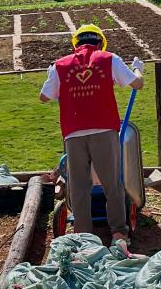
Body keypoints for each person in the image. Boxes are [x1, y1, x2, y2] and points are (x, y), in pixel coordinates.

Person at [39, 24, 144, 242]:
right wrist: (137, 69)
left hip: (74, 133)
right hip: (104, 129)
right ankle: (118, 233)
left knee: (79, 187)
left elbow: (44, 97)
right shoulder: (110, 59)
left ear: (76, 44)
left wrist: (54, 78)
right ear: (99, 43)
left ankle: (83, 236)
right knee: (112, 184)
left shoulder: (59, 66)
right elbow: (138, 84)